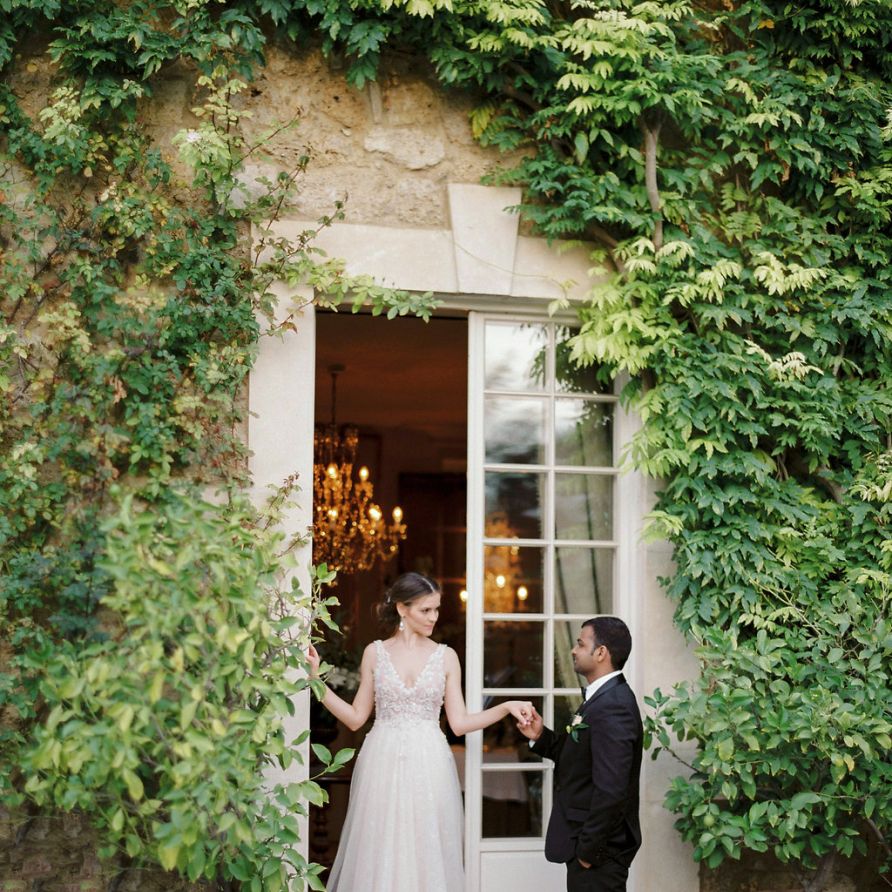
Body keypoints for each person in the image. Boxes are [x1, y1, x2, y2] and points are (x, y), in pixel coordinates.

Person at [306, 572, 534, 892]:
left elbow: (459, 723)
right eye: (426, 610)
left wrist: (505, 707)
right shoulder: (375, 653)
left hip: (431, 763)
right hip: (382, 762)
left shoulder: (446, 656)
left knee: (427, 849)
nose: (434, 617)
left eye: (437, 609)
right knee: (381, 846)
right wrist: (316, 681)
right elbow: (356, 718)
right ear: (402, 609)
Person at [516, 617, 642, 892]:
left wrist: (587, 851)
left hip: (600, 855)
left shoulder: (614, 705)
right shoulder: (603, 699)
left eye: (580, 643)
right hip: (590, 849)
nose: (573, 650)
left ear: (601, 652)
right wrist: (541, 736)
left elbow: (611, 789)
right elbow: (581, 757)